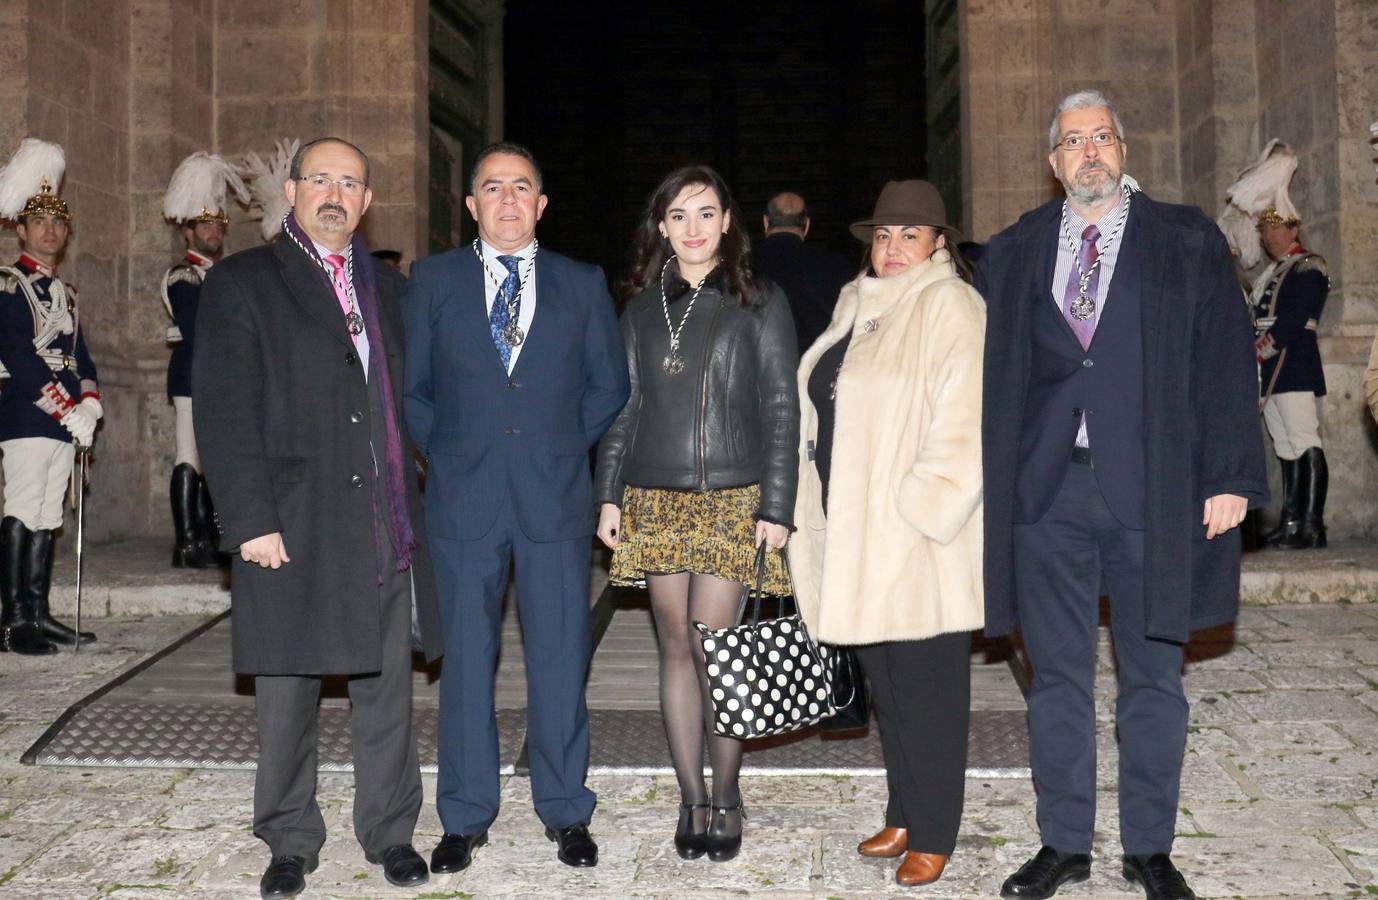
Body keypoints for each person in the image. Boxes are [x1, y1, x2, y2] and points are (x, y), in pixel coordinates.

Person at [979, 90, 1267, 900]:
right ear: (1054, 162)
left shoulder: (1183, 239)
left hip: (1155, 491)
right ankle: (1063, 844)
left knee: (1152, 679)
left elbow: (1222, 358)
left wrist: (1232, 476)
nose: (1089, 152)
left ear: (1123, 147)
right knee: (1057, 679)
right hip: (1047, 497)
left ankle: (1150, 848)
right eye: (1073, 142)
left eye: (1101, 136)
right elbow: (999, 380)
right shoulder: (1018, 249)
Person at [194, 136, 442, 899]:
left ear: (366, 204)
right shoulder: (244, 283)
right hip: (290, 522)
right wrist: (249, 520)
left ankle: (390, 831)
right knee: (288, 688)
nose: (335, 193)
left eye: (351, 183)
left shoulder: (394, 292)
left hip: (380, 518)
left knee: (385, 687)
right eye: (321, 179)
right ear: (295, 191)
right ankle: (289, 837)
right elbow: (225, 411)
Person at [402, 141, 629, 874]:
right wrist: (455, 453)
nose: (506, 200)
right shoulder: (432, 280)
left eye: (521, 187)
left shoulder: (582, 282)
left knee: (561, 657)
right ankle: (464, 816)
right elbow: (414, 389)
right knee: (465, 660)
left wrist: (561, 446)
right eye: (492, 188)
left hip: (553, 496)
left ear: (541, 205)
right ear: (471, 206)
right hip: (464, 497)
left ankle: (566, 810)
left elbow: (609, 386)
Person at [593, 165, 800, 864]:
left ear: (727, 221)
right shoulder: (639, 308)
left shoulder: (760, 299)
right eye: (679, 215)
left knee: (719, 648)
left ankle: (728, 795)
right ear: (661, 227)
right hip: (654, 497)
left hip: (732, 498)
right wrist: (609, 491)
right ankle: (690, 797)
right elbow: (624, 409)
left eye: (706, 213)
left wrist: (778, 505)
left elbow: (781, 406)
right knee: (675, 644)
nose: (693, 228)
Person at [791, 180, 984, 888]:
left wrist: (918, 515)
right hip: (854, 533)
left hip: (915, 541)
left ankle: (934, 831)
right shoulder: (858, 304)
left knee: (929, 694)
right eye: (883, 235)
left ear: (938, 243)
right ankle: (905, 808)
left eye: (910, 234)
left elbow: (965, 426)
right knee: (889, 690)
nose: (893, 247)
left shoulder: (950, 306)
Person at [0, 138, 100, 655]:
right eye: (39, 221)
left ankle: (38, 612)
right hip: (25, 412)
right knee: (22, 508)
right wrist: (67, 410)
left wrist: (91, 404)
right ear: (21, 228)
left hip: (66, 418)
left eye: (58, 222)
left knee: (49, 515)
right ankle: (13, 619)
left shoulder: (68, 293)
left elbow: (81, 356)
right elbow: (19, 357)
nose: (50, 229)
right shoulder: (7, 285)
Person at [161, 152, 246, 568]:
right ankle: (187, 542)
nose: (213, 230)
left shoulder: (223, 276)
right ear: (188, 233)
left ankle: (210, 536)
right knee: (190, 457)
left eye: (218, 224)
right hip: (193, 378)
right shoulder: (184, 275)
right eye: (205, 224)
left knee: (213, 459)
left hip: (222, 381)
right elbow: (200, 331)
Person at [1250, 206, 1330, 549]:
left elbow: (1297, 316)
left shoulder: (1309, 265)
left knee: (1304, 440)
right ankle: (1292, 521)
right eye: (1265, 230)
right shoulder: (1271, 272)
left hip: (1293, 362)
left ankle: (1312, 526)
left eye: (1277, 229)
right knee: (1284, 445)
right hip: (1269, 367)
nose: (1270, 236)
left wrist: (1262, 347)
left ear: (1294, 230)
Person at [751, 191, 853, 355]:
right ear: (806, 225)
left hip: (754, 371)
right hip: (816, 372)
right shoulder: (836, 266)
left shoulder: (743, 264)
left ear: (765, 222)